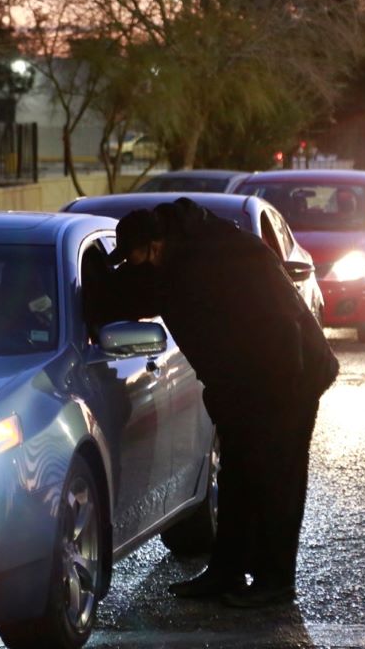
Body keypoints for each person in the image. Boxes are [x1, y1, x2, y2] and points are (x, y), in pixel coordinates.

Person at [90, 198, 339, 608]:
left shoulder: (227, 255)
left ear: (155, 246)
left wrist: (270, 399)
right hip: (244, 389)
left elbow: (281, 325)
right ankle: (227, 571)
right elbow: (128, 297)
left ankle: (276, 582)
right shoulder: (170, 266)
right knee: (238, 477)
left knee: (278, 480)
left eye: (135, 260)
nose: (136, 270)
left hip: (288, 381)